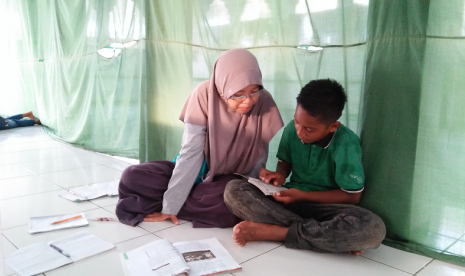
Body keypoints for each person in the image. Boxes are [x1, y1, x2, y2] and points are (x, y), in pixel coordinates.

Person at [116, 49, 284, 228]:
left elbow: (256, 159)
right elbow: (191, 154)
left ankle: (186, 200)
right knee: (132, 176)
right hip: (197, 170)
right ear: (223, 86)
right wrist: (170, 205)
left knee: (230, 199)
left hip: (228, 179)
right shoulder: (204, 95)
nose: (248, 101)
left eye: (254, 91)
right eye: (238, 93)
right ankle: (190, 201)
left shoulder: (264, 101)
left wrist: (258, 181)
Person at [224, 79, 386, 255]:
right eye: (297, 122)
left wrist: (303, 195)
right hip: (289, 203)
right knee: (233, 189)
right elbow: (285, 163)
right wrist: (279, 175)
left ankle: (275, 232)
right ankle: (326, 237)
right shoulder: (291, 131)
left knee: (373, 228)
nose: (300, 132)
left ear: (333, 126)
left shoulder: (347, 143)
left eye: (309, 129)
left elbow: (352, 197)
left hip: (326, 208)